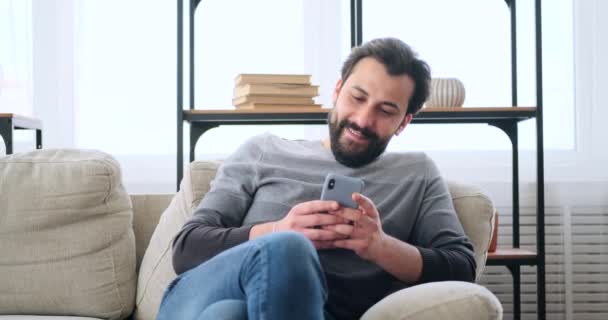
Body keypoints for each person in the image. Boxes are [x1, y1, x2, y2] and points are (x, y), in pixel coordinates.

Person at [157, 37, 476, 320]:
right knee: (286, 249)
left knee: (229, 315)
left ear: (404, 122)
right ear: (338, 91)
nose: (363, 119)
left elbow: (462, 266)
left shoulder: (417, 174)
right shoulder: (263, 151)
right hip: (198, 296)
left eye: (386, 110)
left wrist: (380, 246)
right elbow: (187, 248)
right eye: (357, 97)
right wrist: (278, 231)